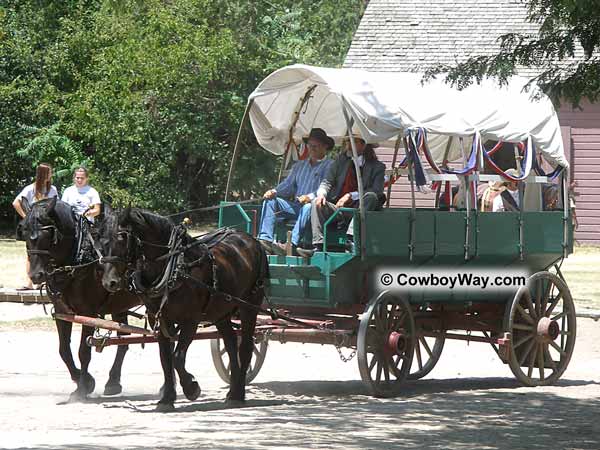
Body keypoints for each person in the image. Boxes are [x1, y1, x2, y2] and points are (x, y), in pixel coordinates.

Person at [297, 133, 385, 257]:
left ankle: (350, 239)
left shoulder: (377, 167)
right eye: (347, 142)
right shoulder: (340, 161)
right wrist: (321, 194)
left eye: (353, 142)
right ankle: (318, 246)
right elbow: (327, 181)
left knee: (371, 196)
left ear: (364, 144)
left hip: (360, 209)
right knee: (316, 202)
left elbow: (377, 190)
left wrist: (350, 195)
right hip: (338, 208)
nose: (348, 146)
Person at [258, 128, 334, 255]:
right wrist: (274, 191)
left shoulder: (331, 165)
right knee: (270, 201)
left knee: (309, 206)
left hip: (317, 209)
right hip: (296, 206)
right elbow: (288, 185)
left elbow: (328, 188)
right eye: (310, 145)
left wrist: (309, 197)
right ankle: (265, 240)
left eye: (316, 145)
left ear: (325, 146)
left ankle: (291, 244)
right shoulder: (299, 165)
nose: (312, 148)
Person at [12, 163, 58, 289]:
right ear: (43, 174)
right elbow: (16, 203)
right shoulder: (30, 189)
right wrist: (26, 217)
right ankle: (29, 282)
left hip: (46, 229)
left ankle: (43, 281)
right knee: (30, 254)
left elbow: (57, 205)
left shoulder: (52, 189)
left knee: (47, 254)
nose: (51, 175)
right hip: (33, 228)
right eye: (49, 172)